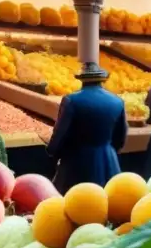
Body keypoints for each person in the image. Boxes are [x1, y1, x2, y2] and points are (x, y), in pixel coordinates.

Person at [46, 62, 128, 190]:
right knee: (109, 200)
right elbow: (121, 137)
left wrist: (52, 151)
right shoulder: (117, 101)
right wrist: (109, 150)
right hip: (109, 161)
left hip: (78, 162)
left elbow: (61, 133)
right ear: (102, 80)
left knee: (78, 201)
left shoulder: (71, 100)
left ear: (82, 80)